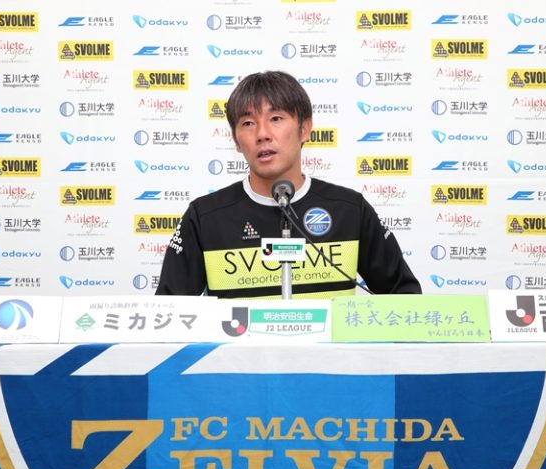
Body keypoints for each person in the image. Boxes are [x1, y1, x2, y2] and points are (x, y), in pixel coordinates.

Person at [155, 70, 421, 298]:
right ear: (236, 141)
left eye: (276, 119)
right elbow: (170, 312)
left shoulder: (349, 209)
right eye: (248, 123)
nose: (262, 134)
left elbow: (404, 296)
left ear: (304, 129)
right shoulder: (205, 217)